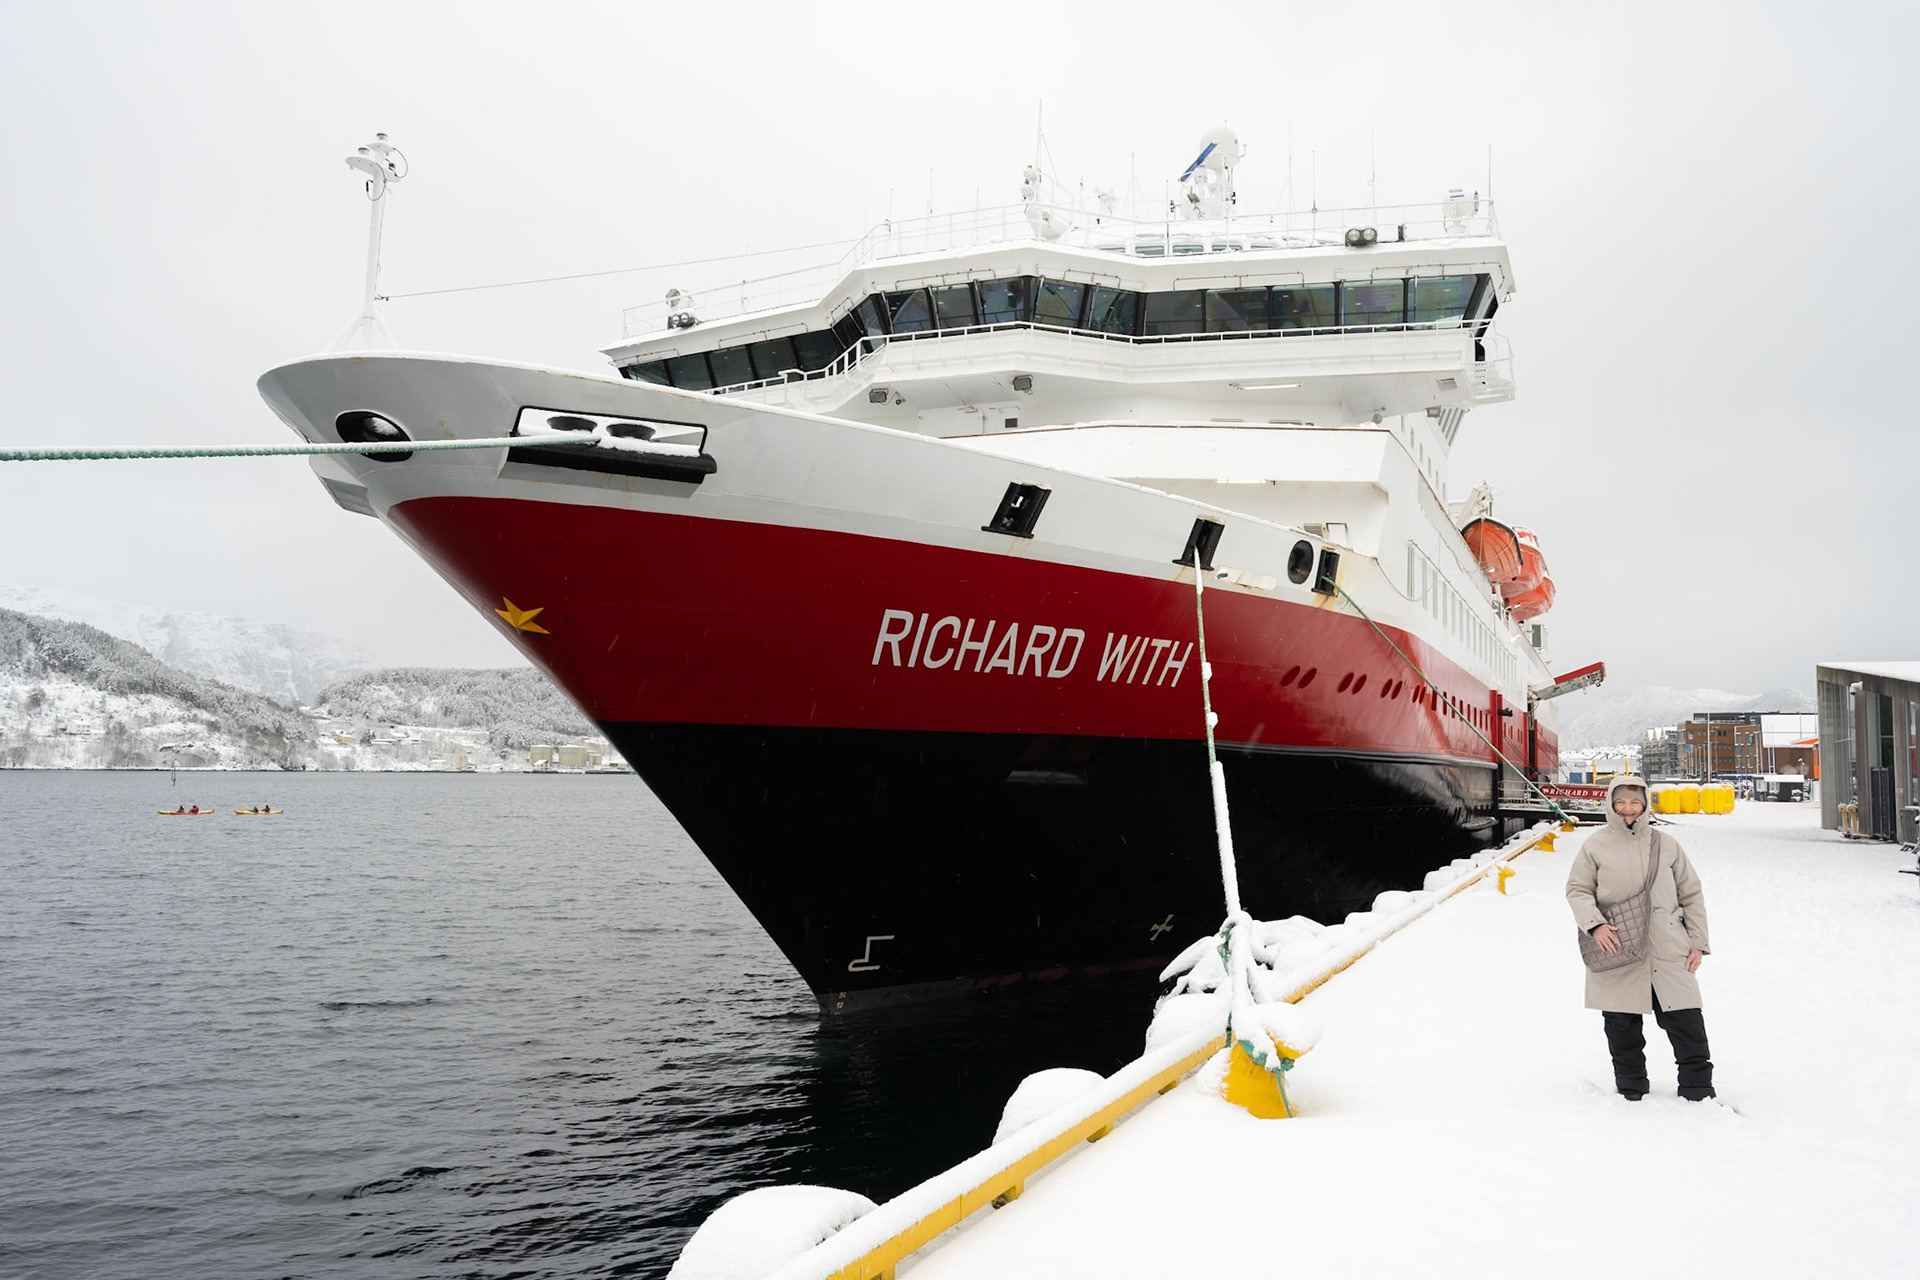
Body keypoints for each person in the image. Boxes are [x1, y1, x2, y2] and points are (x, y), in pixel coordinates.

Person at [1565, 775, 1715, 1101]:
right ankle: (1631, 1089)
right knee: (1621, 1026)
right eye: (1620, 802)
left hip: (1668, 947)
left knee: (1686, 1021)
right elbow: (1578, 890)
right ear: (1610, 804)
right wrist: (1595, 925)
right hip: (1616, 945)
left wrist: (1698, 943)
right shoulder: (1595, 845)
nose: (1628, 808)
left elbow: (1691, 894)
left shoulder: (1667, 844)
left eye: (1635, 802)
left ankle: (1698, 1090)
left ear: (1645, 804)